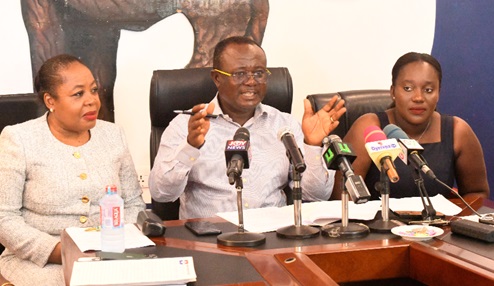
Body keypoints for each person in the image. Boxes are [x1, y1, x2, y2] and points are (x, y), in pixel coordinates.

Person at [149, 36, 346, 219]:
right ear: (217, 78)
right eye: (240, 73)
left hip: (273, 237)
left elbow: (316, 196)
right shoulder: (187, 126)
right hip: (210, 240)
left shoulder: (284, 124)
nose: (251, 82)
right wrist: (190, 147)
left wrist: (312, 145)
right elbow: (162, 194)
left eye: (259, 73)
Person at [0, 54, 145, 285]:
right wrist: (62, 251)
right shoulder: (19, 139)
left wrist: (113, 246)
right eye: (78, 94)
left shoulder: (113, 135)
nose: (92, 101)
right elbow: (4, 217)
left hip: (110, 256)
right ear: (51, 101)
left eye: (94, 90)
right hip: (40, 262)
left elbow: (134, 203)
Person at [330, 52, 489, 201]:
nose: (418, 98)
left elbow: (477, 193)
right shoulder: (369, 128)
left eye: (428, 90)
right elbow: (342, 199)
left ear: (438, 93)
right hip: (378, 228)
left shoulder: (457, 131)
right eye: (407, 88)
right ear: (393, 91)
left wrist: (452, 223)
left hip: (438, 228)